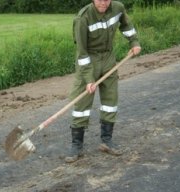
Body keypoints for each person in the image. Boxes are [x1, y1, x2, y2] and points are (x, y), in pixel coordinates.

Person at [65, 0, 141, 163]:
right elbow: (81, 52)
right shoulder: (83, 18)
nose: (103, 3)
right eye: (100, 0)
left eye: (107, 0)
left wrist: (134, 42)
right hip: (89, 60)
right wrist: (88, 79)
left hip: (108, 58)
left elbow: (127, 26)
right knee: (82, 106)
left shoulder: (118, 8)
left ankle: (107, 141)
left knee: (110, 101)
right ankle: (76, 146)